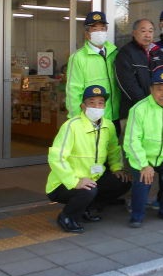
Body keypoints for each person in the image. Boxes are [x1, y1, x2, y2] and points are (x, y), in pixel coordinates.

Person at [45, 85, 131, 233]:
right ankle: (67, 217)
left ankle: (87, 208)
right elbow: (56, 157)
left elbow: (113, 149)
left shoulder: (108, 125)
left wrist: (117, 168)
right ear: (83, 106)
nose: (96, 106)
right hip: (64, 183)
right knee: (88, 190)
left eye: (100, 103)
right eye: (91, 102)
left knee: (123, 182)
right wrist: (75, 181)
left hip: (93, 177)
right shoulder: (71, 126)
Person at [124, 68, 163, 227]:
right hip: (143, 155)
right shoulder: (139, 109)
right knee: (143, 180)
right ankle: (137, 215)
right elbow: (131, 141)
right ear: (151, 90)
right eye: (159, 89)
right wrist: (143, 165)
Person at [65, 11, 120, 127]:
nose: (99, 32)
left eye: (102, 28)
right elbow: (73, 92)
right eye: (94, 29)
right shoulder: (78, 58)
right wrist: (78, 119)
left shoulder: (115, 54)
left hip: (114, 118)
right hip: (90, 119)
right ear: (87, 33)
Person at [115, 18, 163, 123]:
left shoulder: (158, 53)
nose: (147, 35)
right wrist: (147, 105)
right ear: (134, 33)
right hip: (132, 111)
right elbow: (128, 84)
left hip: (157, 110)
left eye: (150, 31)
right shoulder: (126, 53)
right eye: (143, 31)